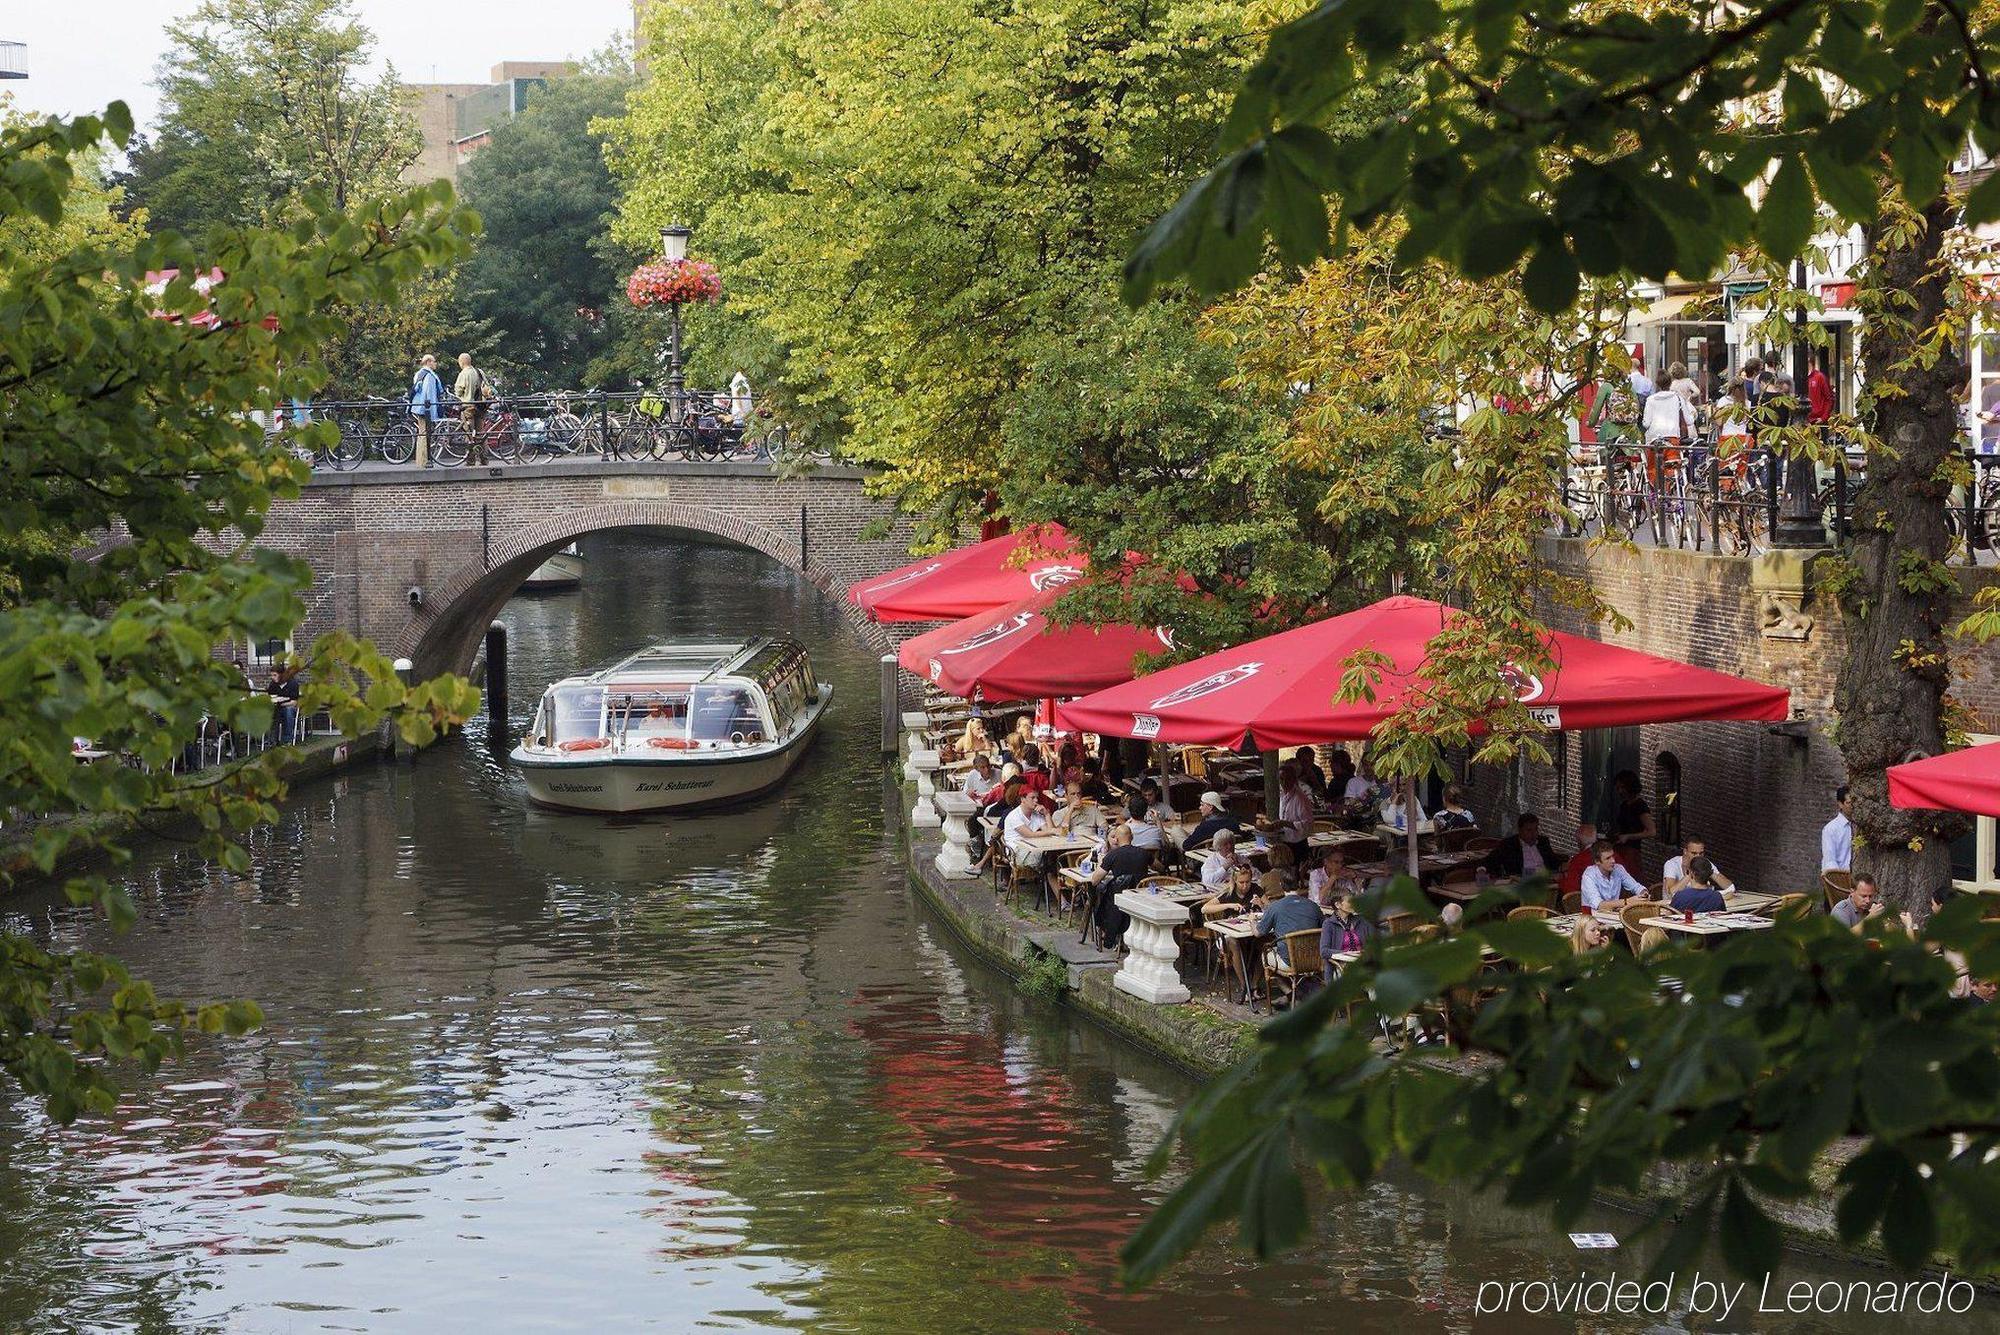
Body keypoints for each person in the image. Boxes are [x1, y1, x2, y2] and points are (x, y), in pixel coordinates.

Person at [1257, 875, 1325, 973]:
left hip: (1289, 962)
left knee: (1265, 954)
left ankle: (1286, 987)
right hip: (1314, 959)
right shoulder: (1313, 906)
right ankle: (1302, 984)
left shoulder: (1275, 907)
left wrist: (1252, 921)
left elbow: (1258, 933)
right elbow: (1323, 928)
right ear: (1299, 885)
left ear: (1281, 885)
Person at [1320, 890, 1376, 982]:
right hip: (1341, 968)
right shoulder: (1329, 924)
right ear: (1338, 905)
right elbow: (1324, 951)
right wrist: (1348, 954)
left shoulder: (1361, 920)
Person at [1485, 813, 1557, 880]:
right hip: (1523, 883)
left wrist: (1562, 865)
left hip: (1546, 881)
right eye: (1529, 830)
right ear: (1520, 830)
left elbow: (1553, 861)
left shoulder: (1543, 841)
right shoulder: (1508, 845)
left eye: (1536, 829)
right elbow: (1489, 863)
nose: (1533, 833)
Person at [1579, 840, 1648, 909]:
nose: (1613, 861)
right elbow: (1599, 905)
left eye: (1613, 856)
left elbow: (1636, 887)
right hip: (1592, 916)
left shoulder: (1618, 869)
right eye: (1608, 858)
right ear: (1597, 861)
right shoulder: (1589, 875)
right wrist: (1627, 902)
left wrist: (1644, 893)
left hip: (1613, 914)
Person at [1609, 770, 1654, 871]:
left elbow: (1651, 831)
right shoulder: (1624, 805)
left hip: (1632, 851)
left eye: (1623, 787)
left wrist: (1628, 836)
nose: (1620, 791)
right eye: (1618, 788)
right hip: (1620, 849)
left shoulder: (1640, 806)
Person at [453, 352, 492, 465]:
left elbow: (459, 391)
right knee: (480, 433)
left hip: (468, 406)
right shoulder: (479, 372)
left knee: (469, 433)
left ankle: (470, 460)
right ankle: (484, 458)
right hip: (481, 406)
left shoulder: (463, 374)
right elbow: (486, 386)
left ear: (461, 362)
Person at [409, 354, 445, 467]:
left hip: (418, 406)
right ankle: (424, 461)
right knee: (424, 434)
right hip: (425, 408)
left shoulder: (419, 373)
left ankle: (421, 460)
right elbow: (429, 394)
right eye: (434, 361)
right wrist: (431, 411)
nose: (436, 363)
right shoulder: (429, 376)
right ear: (428, 362)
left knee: (422, 433)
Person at [1002, 789, 1051, 871]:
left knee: (1052, 856)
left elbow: (1049, 832)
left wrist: (1047, 814)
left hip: (1032, 848)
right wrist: (1051, 831)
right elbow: (1029, 834)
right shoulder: (1014, 816)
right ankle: (1050, 878)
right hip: (1016, 852)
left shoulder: (1036, 814)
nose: (1036, 800)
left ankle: (1051, 878)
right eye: (1032, 798)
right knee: (1048, 859)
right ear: (1022, 799)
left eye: (1037, 798)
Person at [1663, 837, 1733, 892]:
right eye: (1694, 853)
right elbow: (1671, 892)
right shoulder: (1672, 864)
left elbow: (1730, 887)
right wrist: (1691, 874)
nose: (1698, 856)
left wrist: (1709, 871)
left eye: (1701, 853)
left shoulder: (1704, 862)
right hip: (1674, 908)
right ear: (1685, 851)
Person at [1277, 762, 1315, 860]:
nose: (1284, 783)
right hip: (1283, 842)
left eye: (1288, 779)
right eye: (1281, 779)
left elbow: (1307, 823)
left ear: (1294, 779)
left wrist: (1285, 823)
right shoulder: (1280, 796)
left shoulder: (1300, 798)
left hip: (1298, 845)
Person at [1558, 822, 1598, 898]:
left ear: (1579, 842)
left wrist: (1561, 879)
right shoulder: (1612, 854)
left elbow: (1570, 889)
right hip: (1619, 904)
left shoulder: (1578, 859)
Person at [266, 661, 302, 744]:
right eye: (271, 675)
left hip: (290, 707)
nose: (272, 677)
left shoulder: (292, 684)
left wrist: (280, 703)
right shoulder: (273, 685)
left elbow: (294, 702)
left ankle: (287, 739)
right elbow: (271, 697)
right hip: (277, 707)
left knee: (288, 710)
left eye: (275, 675)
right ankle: (271, 739)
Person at [1821, 785, 1854, 873]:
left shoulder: (1860, 826)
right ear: (1840, 804)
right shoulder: (1831, 829)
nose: (1853, 806)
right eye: (1849, 803)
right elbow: (1830, 861)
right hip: (1840, 879)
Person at [1807, 350, 1834, 426]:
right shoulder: (1800, 378)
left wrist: (1823, 418)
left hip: (1817, 421)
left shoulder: (1820, 377)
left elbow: (1829, 399)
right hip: (1804, 420)